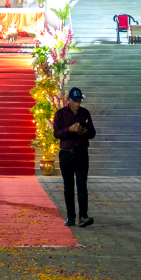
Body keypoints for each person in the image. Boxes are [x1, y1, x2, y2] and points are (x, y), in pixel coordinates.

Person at [52, 85, 96, 228]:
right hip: (66, 153)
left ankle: (83, 215)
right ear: (68, 100)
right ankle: (71, 216)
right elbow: (57, 134)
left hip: (81, 153)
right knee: (68, 186)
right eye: (75, 101)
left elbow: (93, 133)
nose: (78, 104)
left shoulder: (85, 113)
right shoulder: (60, 114)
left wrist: (84, 132)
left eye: (79, 101)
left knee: (82, 185)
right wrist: (70, 130)